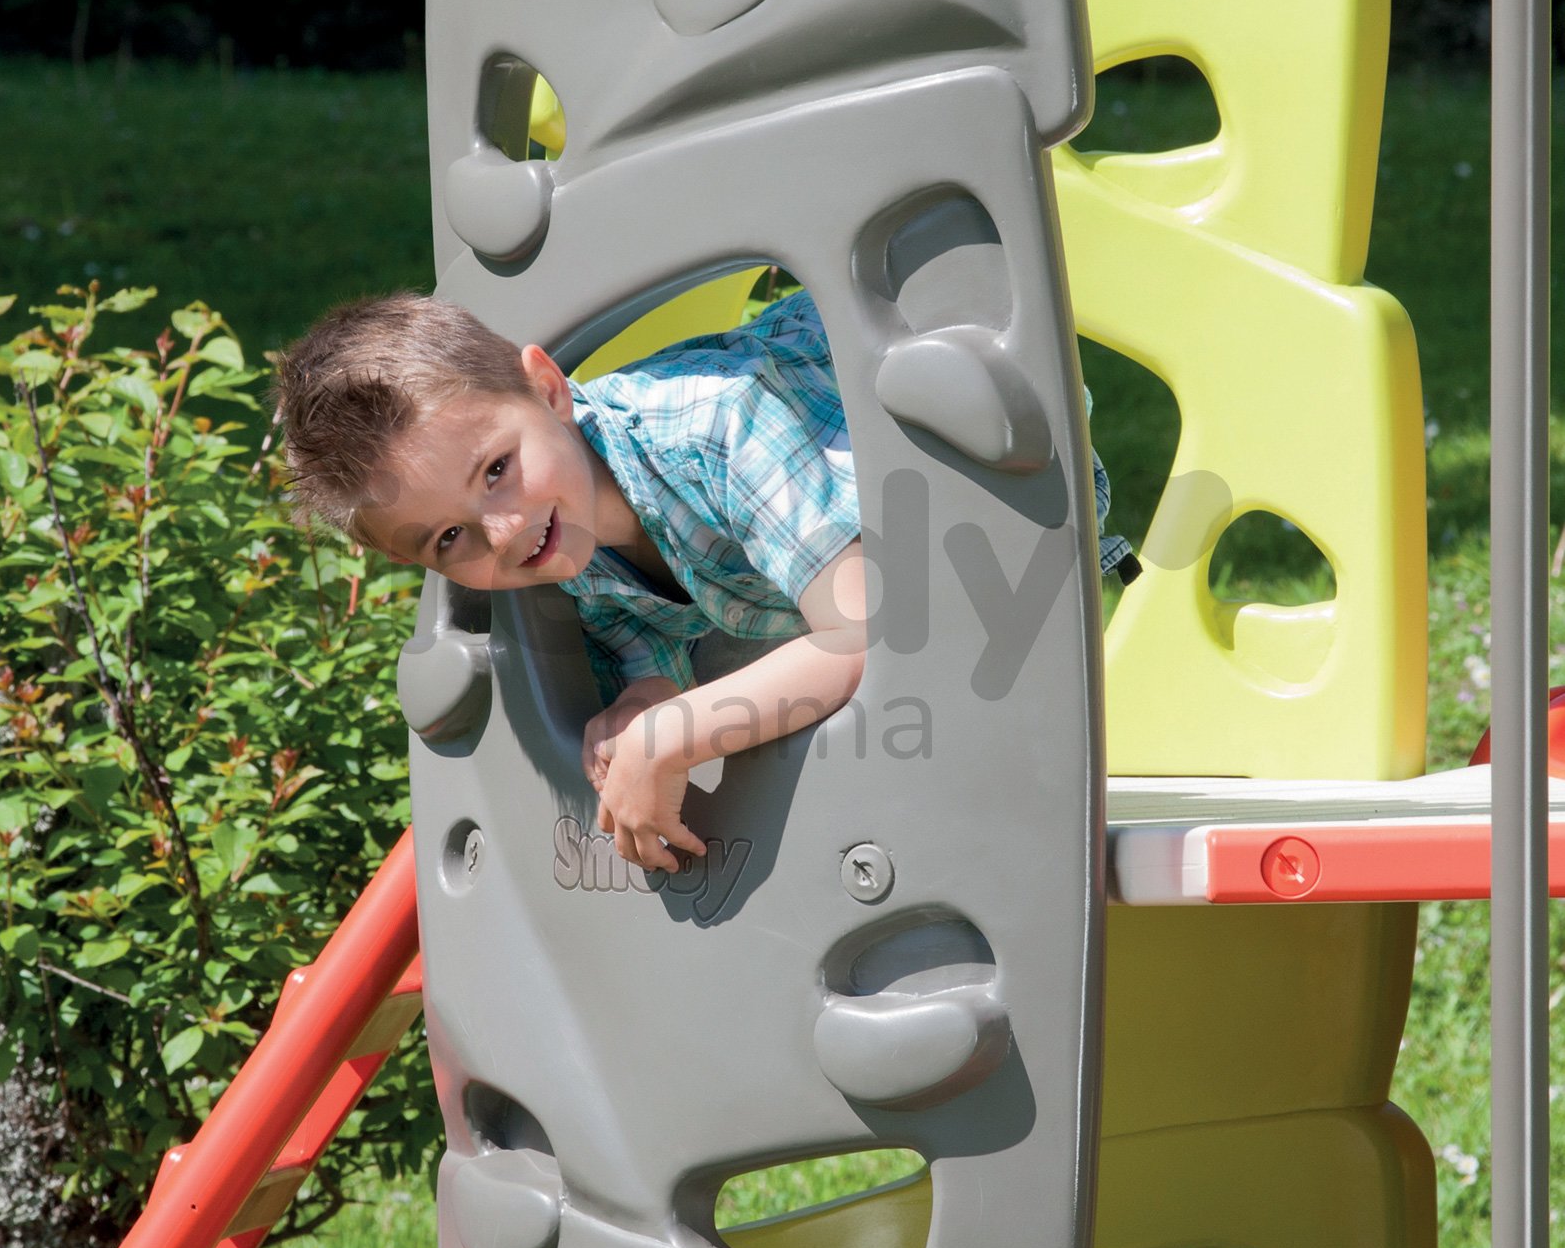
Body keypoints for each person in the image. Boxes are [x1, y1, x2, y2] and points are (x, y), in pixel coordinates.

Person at [275, 288, 1132, 875]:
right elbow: (638, 628)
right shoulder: (555, 544)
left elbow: (879, 633)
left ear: (548, 389)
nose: (500, 533)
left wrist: (673, 734)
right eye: (448, 537)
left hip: (985, 461)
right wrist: (645, 694)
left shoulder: (717, 428)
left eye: (497, 469)